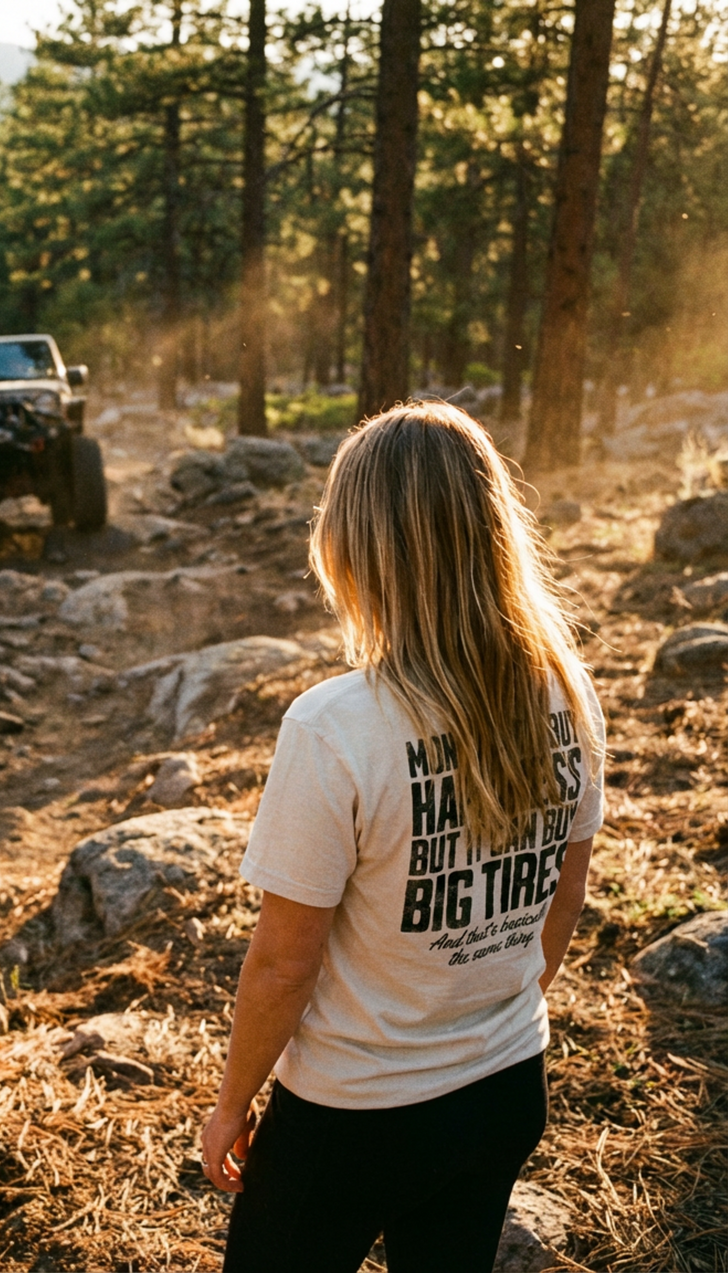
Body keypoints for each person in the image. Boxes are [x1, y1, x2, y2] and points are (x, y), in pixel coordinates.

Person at [200, 401, 605, 1273]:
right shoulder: (566, 692)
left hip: (351, 1117)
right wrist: (486, 1014)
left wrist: (231, 1103)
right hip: (505, 1086)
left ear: (357, 547)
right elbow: (564, 896)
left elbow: (284, 962)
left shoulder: (335, 726)